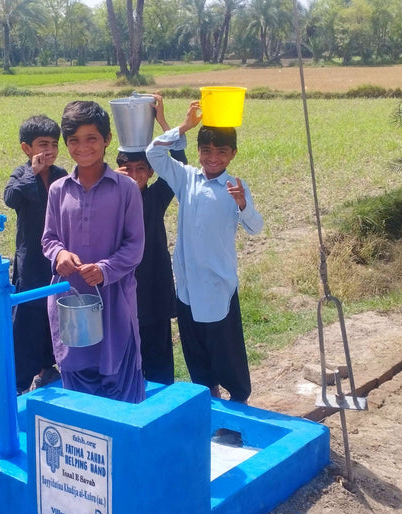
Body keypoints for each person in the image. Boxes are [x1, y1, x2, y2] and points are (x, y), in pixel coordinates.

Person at [146, 101, 263, 404]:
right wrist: (184, 126)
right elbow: (153, 153)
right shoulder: (185, 178)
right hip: (187, 282)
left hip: (218, 283)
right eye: (207, 151)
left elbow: (255, 227)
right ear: (198, 151)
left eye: (221, 152)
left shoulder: (236, 186)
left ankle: (238, 397)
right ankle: (207, 393)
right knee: (194, 345)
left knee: (226, 346)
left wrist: (242, 204)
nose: (213, 158)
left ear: (232, 154)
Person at [42, 100, 146, 403]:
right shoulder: (58, 189)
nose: (82, 147)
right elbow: (49, 239)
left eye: (91, 139)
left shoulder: (125, 189)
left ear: (107, 140)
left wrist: (105, 270)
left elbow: (134, 246)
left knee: (119, 380)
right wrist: (59, 255)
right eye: (73, 140)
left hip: (114, 300)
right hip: (70, 300)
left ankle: (124, 448)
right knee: (77, 378)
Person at [115, 94, 187, 385]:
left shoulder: (156, 197)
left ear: (151, 171)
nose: (134, 176)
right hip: (123, 289)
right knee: (126, 354)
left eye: (141, 169)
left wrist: (163, 122)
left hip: (154, 288)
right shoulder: (110, 198)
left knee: (159, 356)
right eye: (127, 170)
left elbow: (179, 164)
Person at [4, 115, 68, 394]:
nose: (50, 151)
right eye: (43, 144)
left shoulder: (61, 175)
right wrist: (32, 172)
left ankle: (47, 369)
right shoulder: (21, 174)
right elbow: (10, 198)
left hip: (56, 257)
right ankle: (17, 383)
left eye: (54, 144)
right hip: (30, 260)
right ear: (26, 148)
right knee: (27, 319)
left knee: (51, 313)